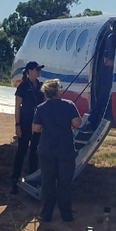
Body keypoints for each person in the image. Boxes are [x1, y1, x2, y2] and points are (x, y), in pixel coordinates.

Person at [32, 79, 82, 222]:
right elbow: (77, 123)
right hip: (65, 150)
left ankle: (46, 214)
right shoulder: (69, 105)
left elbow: (36, 128)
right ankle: (66, 215)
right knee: (64, 184)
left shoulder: (41, 108)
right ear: (59, 91)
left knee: (47, 183)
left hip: (47, 150)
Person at [11, 61, 45, 193]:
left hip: (37, 124)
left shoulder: (41, 86)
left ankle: (32, 181)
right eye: (37, 69)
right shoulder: (23, 86)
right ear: (30, 71)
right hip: (25, 123)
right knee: (21, 151)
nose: (39, 72)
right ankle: (14, 181)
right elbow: (17, 107)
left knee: (34, 152)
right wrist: (17, 125)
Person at [90, 20, 116, 127]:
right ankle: (93, 120)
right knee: (104, 96)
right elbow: (107, 61)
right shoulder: (111, 39)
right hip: (108, 73)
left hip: (114, 74)